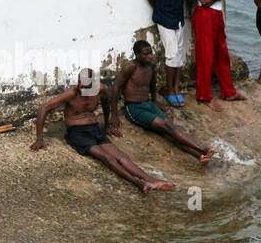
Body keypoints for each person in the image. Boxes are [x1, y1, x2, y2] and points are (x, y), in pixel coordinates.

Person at [30, 68, 176, 193]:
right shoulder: (72, 93)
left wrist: (107, 125)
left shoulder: (101, 89)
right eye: (80, 84)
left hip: (95, 129)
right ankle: (138, 183)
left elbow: (106, 104)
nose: (82, 88)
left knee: (123, 157)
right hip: (77, 133)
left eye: (86, 85)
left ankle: (152, 180)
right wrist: (39, 138)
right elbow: (44, 108)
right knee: (107, 158)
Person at [111, 41, 215, 164]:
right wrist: (114, 115)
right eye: (146, 54)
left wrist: (155, 101)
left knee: (169, 132)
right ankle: (202, 149)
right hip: (134, 108)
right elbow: (115, 87)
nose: (150, 56)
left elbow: (152, 83)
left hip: (148, 104)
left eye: (150, 52)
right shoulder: (131, 66)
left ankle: (199, 156)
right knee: (168, 127)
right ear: (137, 54)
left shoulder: (151, 64)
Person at [190, 0, 246, 111]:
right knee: (205, 57)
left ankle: (229, 92)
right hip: (204, 16)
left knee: (222, 53)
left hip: (217, 15)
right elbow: (204, 2)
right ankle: (204, 96)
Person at [145, 0, 195, 107]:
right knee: (172, 54)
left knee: (178, 54)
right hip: (164, 19)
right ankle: (169, 91)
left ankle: (175, 88)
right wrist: (160, 10)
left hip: (178, 19)